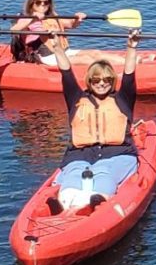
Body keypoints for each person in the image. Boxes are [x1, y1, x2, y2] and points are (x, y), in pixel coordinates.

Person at [46, 29, 141, 214]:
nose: (102, 83)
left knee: (104, 172)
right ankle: (64, 204)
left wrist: (131, 46)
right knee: (74, 173)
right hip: (79, 154)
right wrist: (57, 48)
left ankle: (97, 201)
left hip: (118, 154)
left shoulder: (122, 99)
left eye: (107, 79)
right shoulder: (76, 98)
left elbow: (129, 76)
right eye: (96, 79)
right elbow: (66, 73)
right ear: (90, 80)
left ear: (112, 80)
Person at [9, 0, 86, 65]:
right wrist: (33, 19)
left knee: (96, 54)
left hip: (63, 51)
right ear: (31, 3)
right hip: (46, 56)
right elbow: (14, 30)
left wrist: (77, 19)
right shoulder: (26, 18)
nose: (42, 4)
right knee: (85, 60)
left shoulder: (52, 17)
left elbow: (70, 24)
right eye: (38, 2)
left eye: (45, 2)